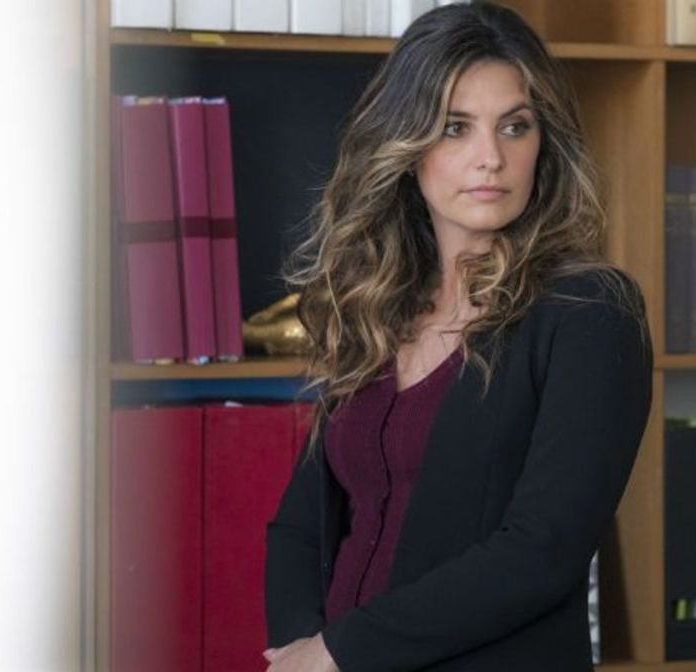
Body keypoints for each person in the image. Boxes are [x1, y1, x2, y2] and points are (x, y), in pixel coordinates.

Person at [263, 3, 652, 671]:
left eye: (515, 126)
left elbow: (541, 553)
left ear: (544, 143)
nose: (491, 158)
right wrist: (299, 650)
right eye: (455, 127)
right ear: (407, 142)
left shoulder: (589, 313)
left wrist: (336, 652)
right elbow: (301, 524)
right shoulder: (376, 307)